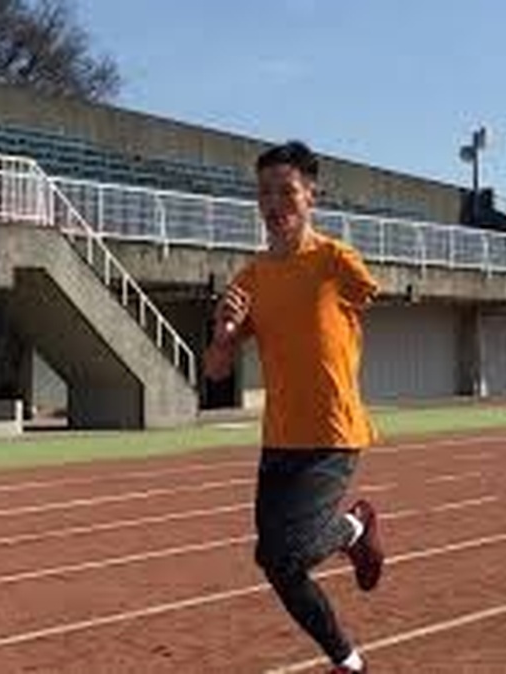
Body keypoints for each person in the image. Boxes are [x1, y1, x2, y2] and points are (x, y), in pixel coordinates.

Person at [203, 141, 383, 674]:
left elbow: (367, 296)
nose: (274, 202)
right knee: (275, 562)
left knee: (290, 552)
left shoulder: (335, 261)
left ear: (311, 197)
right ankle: (348, 661)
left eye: (286, 191)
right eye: (264, 192)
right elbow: (215, 370)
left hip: (332, 433)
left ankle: (354, 527)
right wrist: (225, 333)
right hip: (279, 435)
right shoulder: (250, 279)